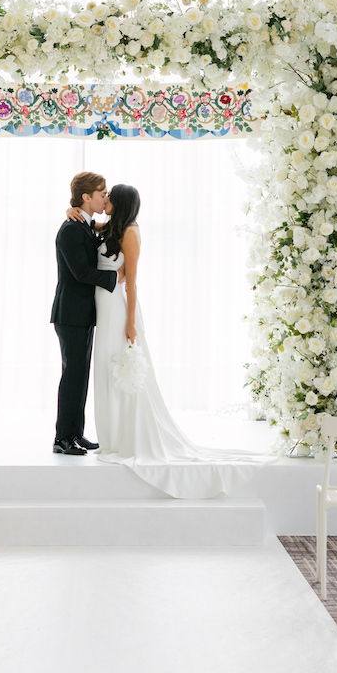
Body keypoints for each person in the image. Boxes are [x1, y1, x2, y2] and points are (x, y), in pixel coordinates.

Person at [69, 182, 271, 498]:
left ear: (119, 202)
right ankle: (110, 436)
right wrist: (70, 210)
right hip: (100, 306)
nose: (104, 199)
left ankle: (126, 438)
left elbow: (132, 284)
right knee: (105, 370)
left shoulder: (131, 233)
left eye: (109, 196)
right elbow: (82, 221)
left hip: (117, 309)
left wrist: (131, 323)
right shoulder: (108, 227)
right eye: (102, 195)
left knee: (119, 370)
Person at [49, 171, 117, 456]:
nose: (105, 198)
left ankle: (75, 433)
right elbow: (81, 273)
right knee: (73, 377)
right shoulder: (70, 228)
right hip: (70, 314)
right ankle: (62, 439)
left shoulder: (85, 224)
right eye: (102, 193)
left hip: (82, 314)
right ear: (86, 197)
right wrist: (116, 278)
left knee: (80, 376)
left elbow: (110, 226)